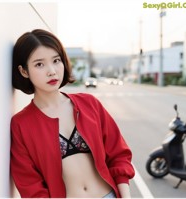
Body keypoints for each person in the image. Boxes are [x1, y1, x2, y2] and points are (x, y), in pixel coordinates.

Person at [10, 29, 135, 198]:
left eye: (56, 60)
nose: (52, 71)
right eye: (39, 64)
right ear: (24, 71)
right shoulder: (21, 124)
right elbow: (30, 185)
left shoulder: (89, 104)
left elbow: (118, 154)